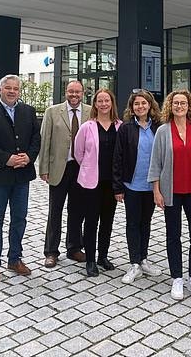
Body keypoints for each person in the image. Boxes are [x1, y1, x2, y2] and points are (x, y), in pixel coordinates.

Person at [148, 90, 191, 300]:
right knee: (173, 235)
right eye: (176, 103)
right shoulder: (162, 131)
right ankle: (177, 277)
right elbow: (156, 162)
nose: (179, 106)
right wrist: (156, 190)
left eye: (183, 103)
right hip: (171, 191)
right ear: (170, 105)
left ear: (189, 105)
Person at [0, 74, 41, 285]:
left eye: (15, 88)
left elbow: (35, 138)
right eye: (8, 88)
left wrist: (29, 156)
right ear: (0, 90)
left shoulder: (29, 112)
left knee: (20, 219)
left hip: (22, 176)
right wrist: (7, 159)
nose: (12, 91)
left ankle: (15, 259)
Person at [39, 80, 91, 268]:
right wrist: (43, 168)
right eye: (71, 92)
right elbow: (45, 141)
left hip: (81, 169)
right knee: (55, 211)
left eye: (77, 92)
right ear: (66, 93)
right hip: (59, 168)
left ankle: (74, 248)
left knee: (78, 211)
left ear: (83, 93)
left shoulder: (90, 111)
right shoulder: (52, 112)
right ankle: (51, 251)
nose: (74, 95)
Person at [113, 89, 162, 284]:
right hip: (132, 185)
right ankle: (134, 263)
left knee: (146, 223)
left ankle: (143, 259)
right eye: (136, 104)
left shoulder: (159, 127)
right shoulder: (125, 129)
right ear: (132, 108)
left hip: (152, 186)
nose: (140, 106)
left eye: (144, 103)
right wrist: (118, 187)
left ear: (150, 105)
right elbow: (118, 158)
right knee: (133, 223)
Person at [74, 88, 122, 276]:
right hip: (91, 182)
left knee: (107, 221)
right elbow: (78, 153)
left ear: (112, 103)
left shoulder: (120, 126)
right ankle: (91, 260)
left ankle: (103, 256)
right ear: (95, 104)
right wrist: (88, 167)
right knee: (91, 221)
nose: (103, 104)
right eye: (99, 101)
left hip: (112, 182)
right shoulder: (87, 127)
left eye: (106, 101)